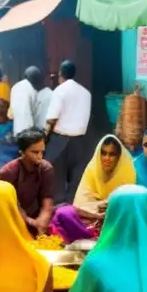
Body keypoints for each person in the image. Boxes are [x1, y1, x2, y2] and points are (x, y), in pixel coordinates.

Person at [52, 135, 135, 243]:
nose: (107, 158)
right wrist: (96, 213)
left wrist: (109, 207)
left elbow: (127, 206)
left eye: (112, 154)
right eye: (103, 153)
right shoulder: (92, 170)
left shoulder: (127, 172)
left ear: (119, 157)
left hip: (114, 222)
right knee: (63, 213)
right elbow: (82, 202)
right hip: (90, 220)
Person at [45, 61, 92, 204]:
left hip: (61, 139)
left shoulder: (60, 90)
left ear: (61, 74)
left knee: (57, 175)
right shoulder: (86, 92)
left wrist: (44, 138)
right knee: (76, 175)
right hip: (80, 139)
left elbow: (52, 118)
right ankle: (73, 205)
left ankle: (59, 207)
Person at [0, 128, 55, 236]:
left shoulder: (46, 168)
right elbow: (12, 205)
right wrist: (31, 222)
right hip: (12, 217)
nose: (40, 156)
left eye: (42, 152)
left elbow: (47, 199)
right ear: (22, 152)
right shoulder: (6, 173)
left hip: (37, 217)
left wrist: (43, 219)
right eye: (35, 152)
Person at [10, 67, 42, 136]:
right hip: (29, 129)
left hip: (17, 129)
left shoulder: (15, 87)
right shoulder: (33, 90)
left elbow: (11, 111)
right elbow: (36, 112)